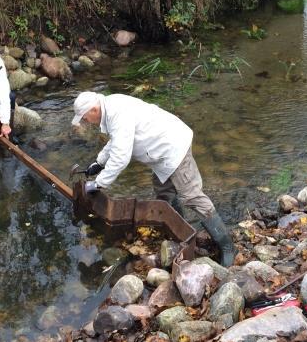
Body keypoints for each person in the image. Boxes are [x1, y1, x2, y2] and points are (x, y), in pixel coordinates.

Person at [71, 91, 235, 266]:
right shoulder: (110, 108)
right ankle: (180, 234)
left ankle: (227, 247)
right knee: (164, 195)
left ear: (94, 109)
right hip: (161, 154)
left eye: (84, 117)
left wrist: (99, 183)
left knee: (192, 196)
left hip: (174, 148)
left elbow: (121, 157)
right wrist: (99, 162)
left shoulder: (117, 113)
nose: (85, 121)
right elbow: (116, 141)